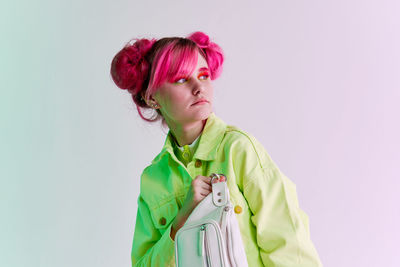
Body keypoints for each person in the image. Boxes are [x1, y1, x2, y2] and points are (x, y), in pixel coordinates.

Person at [110, 31, 322, 267]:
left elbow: (288, 241)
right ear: (152, 98)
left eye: (204, 75)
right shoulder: (153, 179)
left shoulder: (238, 150)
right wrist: (180, 223)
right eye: (181, 79)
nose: (199, 87)